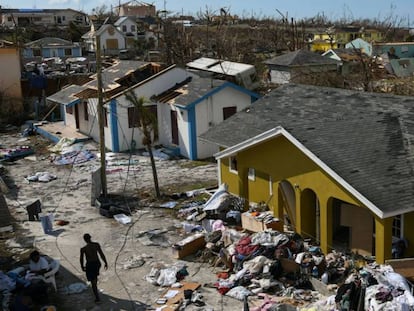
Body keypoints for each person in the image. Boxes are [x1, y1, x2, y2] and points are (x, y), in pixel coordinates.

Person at [80, 233, 108, 303]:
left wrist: (82, 266)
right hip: (97, 263)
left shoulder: (83, 249)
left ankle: (97, 298)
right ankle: (95, 280)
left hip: (90, 265)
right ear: (90, 238)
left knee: (93, 282)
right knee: (94, 278)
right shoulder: (96, 245)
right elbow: (101, 254)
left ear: (84, 240)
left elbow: (81, 259)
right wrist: (105, 262)